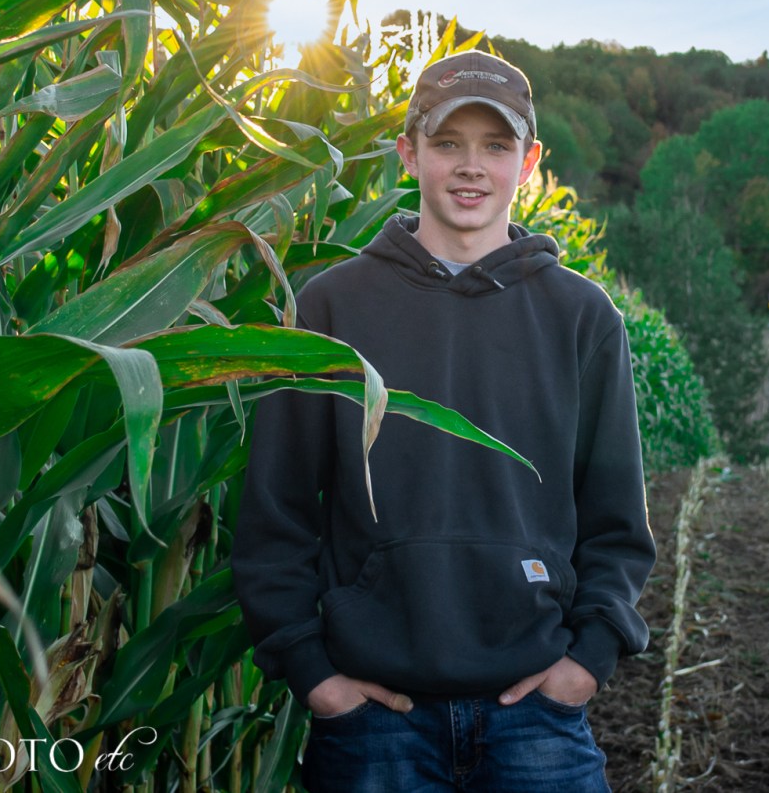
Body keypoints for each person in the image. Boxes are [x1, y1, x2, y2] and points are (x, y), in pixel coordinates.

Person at [232, 48, 657, 792]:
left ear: (528, 163)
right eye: (447, 143)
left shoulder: (582, 318)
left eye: (495, 146)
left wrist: (586, 662)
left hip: (537, 719)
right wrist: (315, 675)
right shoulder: (332, 308)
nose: (471, 167)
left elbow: (616, 519)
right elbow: (277, 511)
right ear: (409, 152)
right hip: (375, 725)